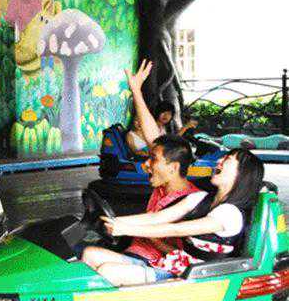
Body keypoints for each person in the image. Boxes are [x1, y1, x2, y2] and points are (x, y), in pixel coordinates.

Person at [83, 60, 200, 284]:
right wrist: (136, 90)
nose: (146, 165)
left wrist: (129, 227)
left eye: (152, 160)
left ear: (173, 167)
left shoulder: (189, 200)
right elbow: (154, 139)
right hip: (137, 256)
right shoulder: (164, 184)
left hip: (162, 267)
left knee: (107, 270)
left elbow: (176, 252)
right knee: (88, 254)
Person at [98, 147, 264, 285]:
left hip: (199, 279)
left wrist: (126, 229)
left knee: (108, 271)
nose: (219, 160)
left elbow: (176, 229)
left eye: (227, 159)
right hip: (177, 265)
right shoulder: (200, 197)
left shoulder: (230, 214)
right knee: (91, 254)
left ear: (242, 174)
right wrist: (111, 220)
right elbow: (157, 218)